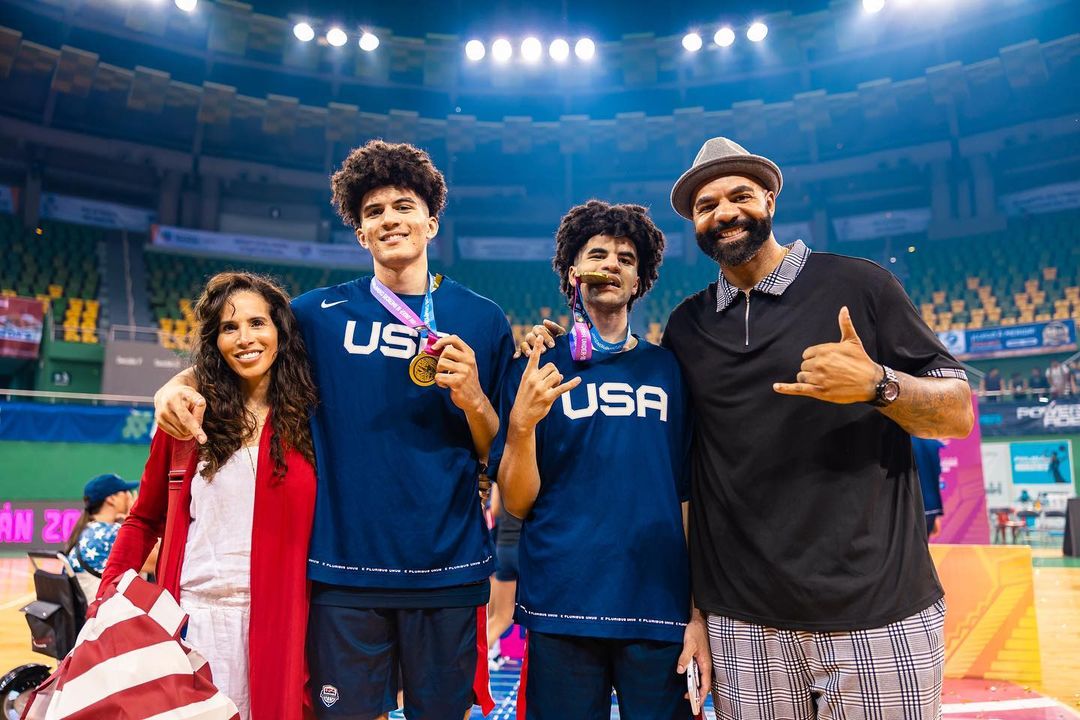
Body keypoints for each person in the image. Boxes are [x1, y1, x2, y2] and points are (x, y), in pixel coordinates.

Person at [153, 141, 510, 719]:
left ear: (431, 220)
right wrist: (175, 383)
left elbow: (498, 450)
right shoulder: (319, 314)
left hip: (447, 567)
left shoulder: (484, 318)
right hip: (344, 572)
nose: (390, 219)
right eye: (373, 213)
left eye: (403, 206)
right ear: (360, 232)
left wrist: (471, 397)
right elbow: (246, 343)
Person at [659, 137, 974, 719]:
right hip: (742, 627)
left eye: (740, 195)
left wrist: (881, 384)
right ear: (695, 225)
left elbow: (958, 411)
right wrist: (697, 611)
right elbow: (684, 476)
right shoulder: (687, 326)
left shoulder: (860, 286)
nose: (724, 212)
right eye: (706, 206)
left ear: (771, 200)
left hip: (878, 615)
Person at [500, 200, 709, 719]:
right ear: (574, 273)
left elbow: (687, 496)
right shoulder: (534, 368)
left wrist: (698, 612)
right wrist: (523, 425)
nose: (611, 263)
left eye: (625, 258)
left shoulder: (669, 370)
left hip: (657, 608)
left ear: (640, 281)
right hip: (562, 605)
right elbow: (518, 502)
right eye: (598, 254)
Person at [103, 272, 318, 720]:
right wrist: (107, 599)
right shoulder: (184, 420)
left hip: (283, 623)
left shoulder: (314, 422)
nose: (245, 338)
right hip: (191, 622)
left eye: (258, 323)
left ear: (280, 331)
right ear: (214, 340)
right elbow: (143, 520)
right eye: (228, 327)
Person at [65, 473, 140, 597]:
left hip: (87, 612)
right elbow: (159, 561)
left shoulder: (88, 529)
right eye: (126, 491)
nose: (130, 496)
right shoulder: (111, 534)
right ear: (111, 499)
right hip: (101, 613)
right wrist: (136, 517)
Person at [485, 483, 520, 670]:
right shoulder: (536, 467)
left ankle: (474, 663)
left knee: (499, 616)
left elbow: (496, 508)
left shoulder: (501, 470)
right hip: (525, 547)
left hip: (504, 546)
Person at [912, 437, 946, 537]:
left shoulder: (905, 442)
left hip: (913, 503)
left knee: (912, 544)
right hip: (932, 504)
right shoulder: (933, 443)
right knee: (923, 543)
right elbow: (938, 470)